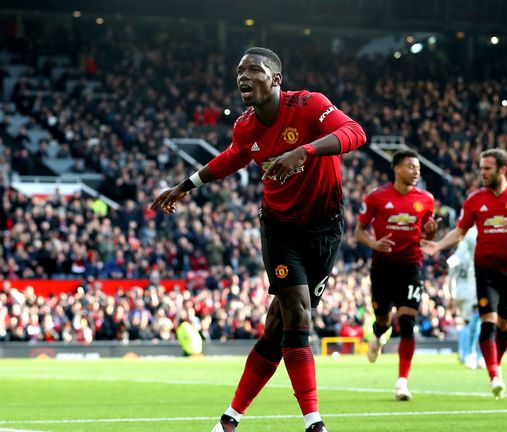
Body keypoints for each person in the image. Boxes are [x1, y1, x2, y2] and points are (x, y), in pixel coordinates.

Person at [150, 47, 365, 432]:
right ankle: (314, 423)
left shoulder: (310, 105)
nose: (243, 77)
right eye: (239, 71)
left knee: (276, 327)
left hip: (325, 228)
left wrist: (305, 150)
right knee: (298, 312)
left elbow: (355, 132)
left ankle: (230, 418)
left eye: (254, 70)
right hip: (280, 226)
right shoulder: (246, 127)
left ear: (276, 79)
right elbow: (232, 157)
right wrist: (185, 186)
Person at [422, 148, 507, 399]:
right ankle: (494, 375)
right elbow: (459, 231)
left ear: (503, 170)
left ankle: (496, 364)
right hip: (485, 271)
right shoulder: (474, 200)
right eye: (480, 168)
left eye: (487, 168)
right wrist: (437, 245)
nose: (482, 173)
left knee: (505, 324)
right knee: (488, 322)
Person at [354, 149, 437, 401]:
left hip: (411, 266)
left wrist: (431, 234)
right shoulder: (377, 197)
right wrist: (373, 244)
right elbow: (359, 231)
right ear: (397, 168)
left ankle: (402, 382)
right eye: (411, 167)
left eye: (418, 169)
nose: (416, 172)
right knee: (383, 320)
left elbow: (426, 235)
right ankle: (378, 337)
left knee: (408, 324)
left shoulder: (426, 199)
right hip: (382, 266)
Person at [447, 225, 483, 369]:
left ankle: (464, 353)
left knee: (467, 322)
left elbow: (451, 267)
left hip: (459, 290)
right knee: (476, 320)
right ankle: (472, 354)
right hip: (470, 288)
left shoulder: (459, 252)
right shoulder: (470, 249)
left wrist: (451, 292)